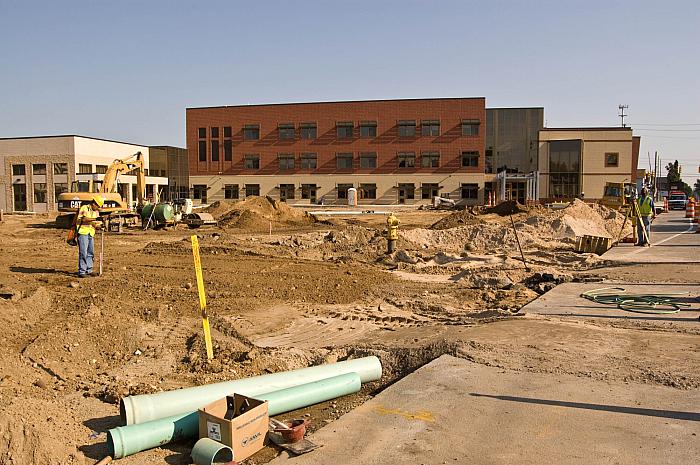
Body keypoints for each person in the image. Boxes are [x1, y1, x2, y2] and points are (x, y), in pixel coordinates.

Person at [76, 196, 104, 277]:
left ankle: (89, 270)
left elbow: (95, 223)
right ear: (94, 203)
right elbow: (83, 219)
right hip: (83, 232)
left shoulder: (96, 212)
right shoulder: (84, 208)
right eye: (98, 206)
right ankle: (82, 271)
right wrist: (95, 218)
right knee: (83, 252)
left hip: (91, 233)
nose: (98, 208)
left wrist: (100, 226)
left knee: (90, 253)